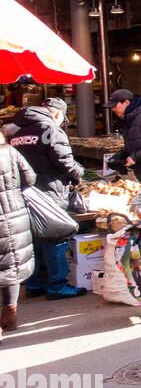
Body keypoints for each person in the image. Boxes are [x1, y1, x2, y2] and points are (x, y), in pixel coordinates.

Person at [9, 98, 86, 301]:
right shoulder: (50, 129)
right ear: (57, 114)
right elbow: (63, 161)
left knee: (33, 240)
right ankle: (57, 286)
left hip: (25, 193)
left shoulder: (18, 133)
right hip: (50, 191)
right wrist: (79, 174)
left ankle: (34, 284)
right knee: (56, 238)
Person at [0, 130, 37, 341]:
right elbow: (30, 178)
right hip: (14, 215)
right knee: (10, 266)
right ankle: (10, 316)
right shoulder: (10, 152)